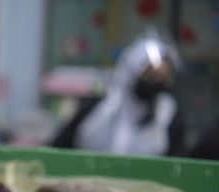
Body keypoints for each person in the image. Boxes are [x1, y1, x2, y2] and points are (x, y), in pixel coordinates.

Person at [52, 31, 184, 156]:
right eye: (151, 75)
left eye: (163, 78)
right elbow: (58, 151)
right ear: (133, 72)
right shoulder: (96, 109)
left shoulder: (167, 116)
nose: (157, 83)